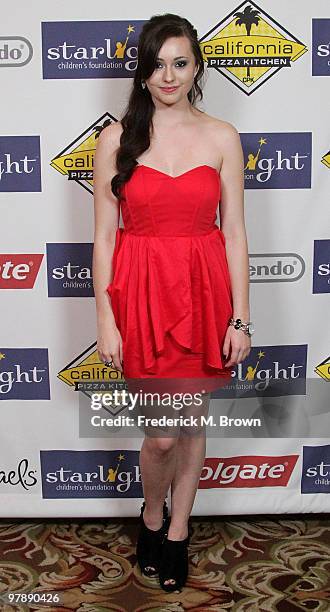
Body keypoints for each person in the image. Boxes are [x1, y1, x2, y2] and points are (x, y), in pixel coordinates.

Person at [93, 13, 252, 592]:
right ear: (143, 70)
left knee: (190, 423)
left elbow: (234, 232)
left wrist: (240, 318)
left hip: (205, 293)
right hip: (141, 297)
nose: (169, 76)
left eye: (180, 63)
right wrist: (105, 320)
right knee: (162, 433)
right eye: (158, 64)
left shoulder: (221, 136)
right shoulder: (116, 138)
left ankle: (178, 529)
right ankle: (150, 515)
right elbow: (104, 238)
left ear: (196, 68)